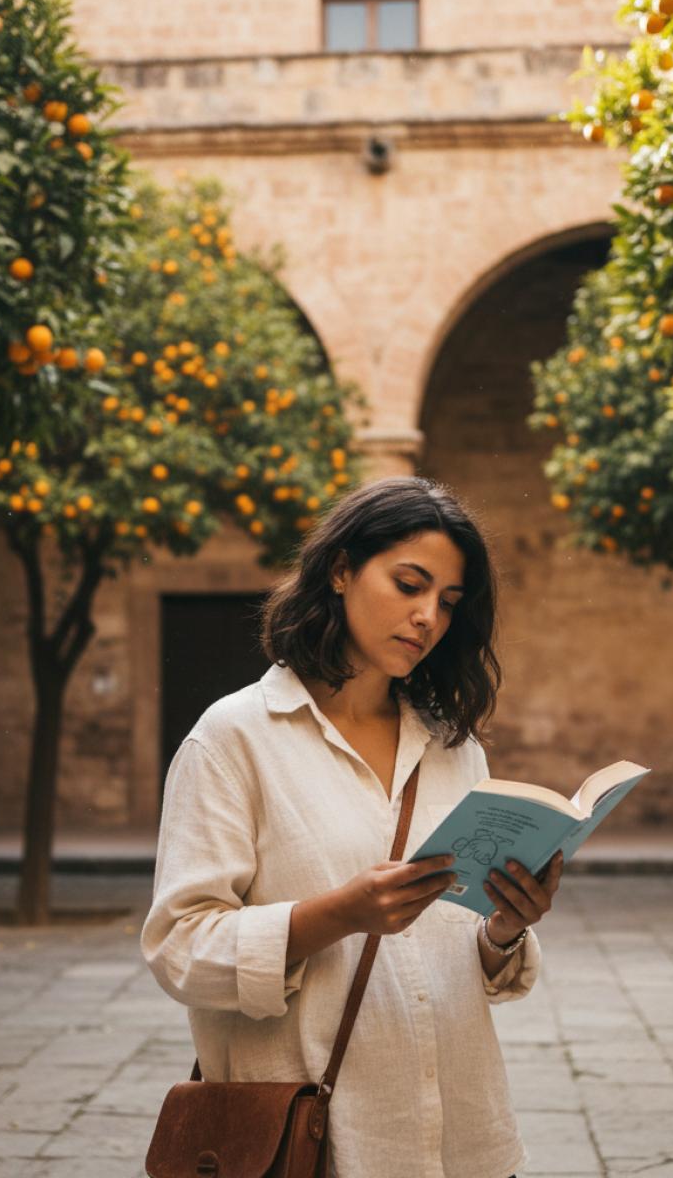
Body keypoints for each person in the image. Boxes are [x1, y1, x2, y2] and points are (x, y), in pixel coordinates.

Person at [141, 475, 565, 1178]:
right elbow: (180, 948)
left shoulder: (453, 747)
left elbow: (459, 955)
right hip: (320, 1146)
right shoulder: (234, 739)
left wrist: (505, 928)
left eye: (448, 602)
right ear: (340, 570)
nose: (428, 616)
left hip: (465, 1142)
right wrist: (339, 914)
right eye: (409, 585)